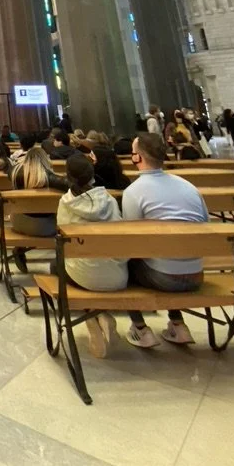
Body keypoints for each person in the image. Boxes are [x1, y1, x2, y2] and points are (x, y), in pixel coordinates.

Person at [122, 133, 209, 348]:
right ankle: (177, 324)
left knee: (122, 265)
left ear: (137, 158)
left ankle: (140, 329)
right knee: (166, 256)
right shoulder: (189, 187)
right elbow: (207, 225)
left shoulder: (134, 192)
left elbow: (130, 240)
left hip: (163, 277)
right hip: (196, 273)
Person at [55, 154, 128, 357]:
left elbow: (62, 240)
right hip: (117, 274)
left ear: (68, 176)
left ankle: (93, 319)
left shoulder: (66, 202)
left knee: (57, 266)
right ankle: (101, 315)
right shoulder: (109, 200)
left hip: (84, 274)